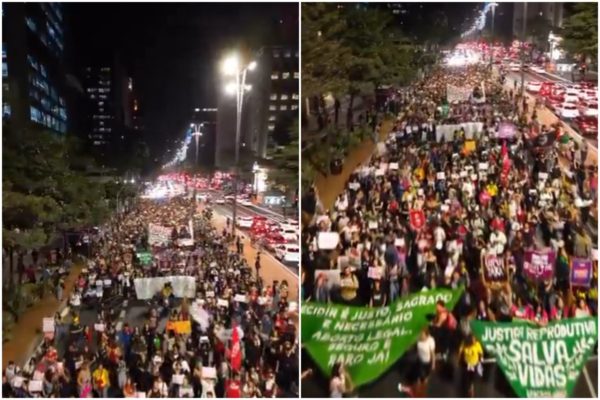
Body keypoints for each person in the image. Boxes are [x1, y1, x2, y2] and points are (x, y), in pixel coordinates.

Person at [415, 328, 435, 395]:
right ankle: (417, 391)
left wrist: (433, 364)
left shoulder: (430, 341)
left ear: (426, 335)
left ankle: (423, 390)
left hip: (427, 362)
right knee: (419, 376)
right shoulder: (418, 339)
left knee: (425, 378)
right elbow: (417, 348)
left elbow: (432, 353)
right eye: (420, 334)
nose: (421, 336)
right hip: (420, 360)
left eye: (422, 335)